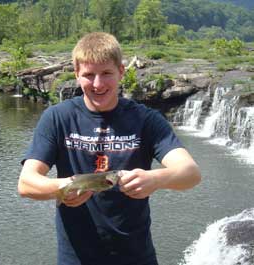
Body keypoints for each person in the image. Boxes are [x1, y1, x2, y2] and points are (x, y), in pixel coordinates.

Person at [18, 32, 201, 265]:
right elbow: (26, 183)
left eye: (106, 73)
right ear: (76, 75)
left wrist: (156, 179)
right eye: (88, 75)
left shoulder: (146, 120)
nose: (97, 84)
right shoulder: (57, 117)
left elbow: (191, 174)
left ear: (121, 72)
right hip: (76, 259)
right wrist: (63, 187)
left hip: (136, 257)